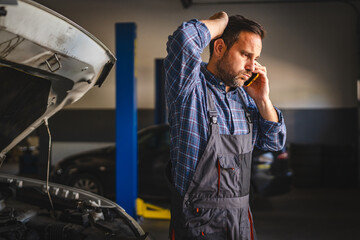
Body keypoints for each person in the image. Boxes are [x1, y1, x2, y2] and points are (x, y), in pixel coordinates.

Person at [164, 11, 286, 240]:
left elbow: (274, 142)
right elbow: (184, 40)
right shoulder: (190, 89)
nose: (252, 66)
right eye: (245, 55)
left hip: (240, 223)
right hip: (197, 225)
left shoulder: (247, 98)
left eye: (256, 58)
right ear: (219, 47)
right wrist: (221, 22)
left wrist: (262, 100)